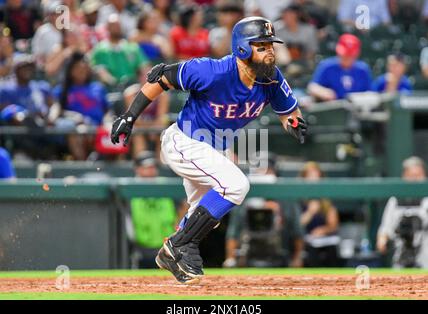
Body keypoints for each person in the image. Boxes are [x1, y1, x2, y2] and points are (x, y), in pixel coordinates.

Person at [110, 16, 307, 284]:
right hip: (184, 142)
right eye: (261, 45)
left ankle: (175, 256)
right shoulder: (212, 71)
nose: (269, 51)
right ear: (242, 48)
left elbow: (288, 112)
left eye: (270, 45)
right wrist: (129, 116)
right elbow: (163, 78)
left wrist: (293, 122)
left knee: (203, 213)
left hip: (213, 151)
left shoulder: (270, 79)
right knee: (236, 185)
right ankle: (179, 245)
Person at [224, 153, 304, 268]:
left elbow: (298, 232)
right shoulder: (243, 197)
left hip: (280, 254)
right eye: (259, 170)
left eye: (267, 170)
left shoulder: (287, 198)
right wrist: (230, 258)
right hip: (249, 252)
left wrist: (297, 257)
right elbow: (233, 231)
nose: (263, 174)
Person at [127, 150, 184, 269]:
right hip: (140, 246)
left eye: (153, 167)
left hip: (166, 245)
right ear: (137, 169)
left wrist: (178, 227)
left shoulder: (166, 185)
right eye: (146, 167)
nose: (150, 170)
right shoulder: (129, 187)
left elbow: (185, 203)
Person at [52, 52, 109, 160]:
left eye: (84, 68)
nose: (81, 71)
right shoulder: (62, 90)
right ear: (70, 71)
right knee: (78, 131)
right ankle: (83, 166)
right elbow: (58, 111)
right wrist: (76, 117)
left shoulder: (98, 88)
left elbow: (107, 111)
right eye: (77, 69)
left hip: (98, 127)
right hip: (77, 127)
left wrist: (107, 123)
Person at [376, 156, 428, 268]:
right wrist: (382, 240)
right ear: (404, 176)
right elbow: (385, 228)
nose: (415, 179)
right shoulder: (395, 200)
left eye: (418, 175)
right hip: (401, 259)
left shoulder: (426, 199)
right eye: (411, 176)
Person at [90, 13, 150, 88]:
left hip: (134, 85)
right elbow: (99, 71)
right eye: (113, 25)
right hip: (112, 88)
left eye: (118, 25)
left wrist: (144, 84)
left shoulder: (132, 47)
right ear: (107, 27)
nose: (116, 28)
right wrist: (114, 84)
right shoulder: (100, 50)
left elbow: (144, 67)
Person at [307, 33, 372, 102]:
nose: (345, 57)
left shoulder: (362, 69)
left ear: (356, 54)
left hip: (357, 108)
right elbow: (312, 87)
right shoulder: (327, 66)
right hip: (333, 108)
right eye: (344, 54)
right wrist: (323, 92)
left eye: (349, 55)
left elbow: (370, 93)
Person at [298, 161, 340, 267]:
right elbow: (298, 224)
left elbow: (333, 225)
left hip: (325, 240)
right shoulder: (299, 198)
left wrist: (323, 230)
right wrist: (311, 212)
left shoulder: (326, 198)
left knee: (332, 251)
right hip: (303, 241)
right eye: (310, 175)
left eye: (316, 175)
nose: (314, 179)